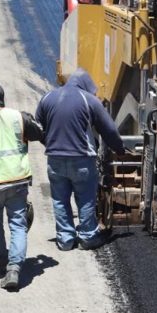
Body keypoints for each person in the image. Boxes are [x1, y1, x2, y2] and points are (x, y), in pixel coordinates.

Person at [36, 69, 125, 251]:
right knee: (85, 199)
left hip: (55, 160)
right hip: (82, 160)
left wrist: (51, 144)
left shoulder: (47, 98)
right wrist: (120, 149)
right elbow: (109, 130)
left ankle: (65, 239)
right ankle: (88, 237)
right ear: (86, 85)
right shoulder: (89, 100)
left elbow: (38, 129)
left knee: (60, 200)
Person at [0, 81, 42, 291]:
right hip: (18, 181)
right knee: (18, 225)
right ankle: (14, 269)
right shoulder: (18, 117)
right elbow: (39, 132)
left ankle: (2, 259)